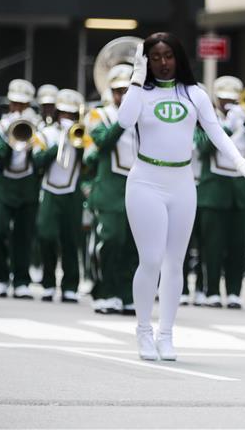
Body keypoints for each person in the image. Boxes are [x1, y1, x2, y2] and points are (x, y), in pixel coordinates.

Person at [118, 33, 245, 361]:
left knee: (174, 263)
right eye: (155, 57)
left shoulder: (194, 93)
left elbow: (216, 133)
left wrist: (242, 164)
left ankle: (166, 334)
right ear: (146, 61)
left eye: (168, 55)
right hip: (145, 182)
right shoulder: (141, 93)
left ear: (178, 58)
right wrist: (137, 80)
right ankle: (143, 330)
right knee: (151, 259)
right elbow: (123, 121)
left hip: (182, 183)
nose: (163, 63)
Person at [195, 75, 245, 309]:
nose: (227, 104)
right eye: (223, 99)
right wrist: (227, 127)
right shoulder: (207, 120)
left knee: (238, 246)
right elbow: (203, 147)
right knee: (212, 246)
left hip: (240, 191)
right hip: (214, 190)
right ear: (215, 99)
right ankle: (211, 291)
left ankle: (234, 291)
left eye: (232, 99)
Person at [85, 64, 138, 315]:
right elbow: (103, 142)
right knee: (110, 241)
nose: (122, 95)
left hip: (137, 189)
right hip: (109, 190)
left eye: (127, 90)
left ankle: (126, 294)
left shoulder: (142, 115)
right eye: (118, 91)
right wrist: (123, 119)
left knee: (133, 245)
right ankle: (104, 291)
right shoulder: (98, 114)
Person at [0, 79, 42, 299]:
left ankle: (21, 281)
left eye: (23, 104)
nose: (18, 108)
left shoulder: (38, 127)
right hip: (4, 186)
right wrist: (12, 138)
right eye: (15, 103)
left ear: (29, 105)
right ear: (9, 103)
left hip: (27, 186)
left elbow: (41, 161)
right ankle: (1, 277)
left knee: (24, 235)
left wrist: (35, 137)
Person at [34, 89, 86, 303]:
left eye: (71, 114)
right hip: (49, 190)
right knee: (46, 236)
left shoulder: (82, 135)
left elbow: (90, 162)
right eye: (63, 113)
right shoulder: (44, 134)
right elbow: (36, 161)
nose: (66, 118)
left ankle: (70, 286)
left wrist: (77, 139)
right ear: (56, 113)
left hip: (72, 192)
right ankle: (47, 283)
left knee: (71, 239)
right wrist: (56, 145)